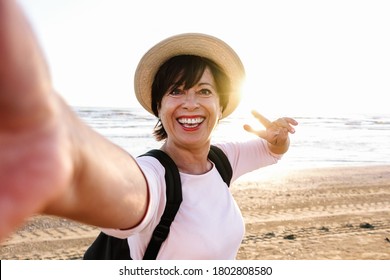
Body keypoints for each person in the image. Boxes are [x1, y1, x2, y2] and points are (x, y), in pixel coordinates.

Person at [0, 0, 297, 259]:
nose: (190, 104)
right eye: (176, 91)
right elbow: (128, 190)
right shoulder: (153, 175)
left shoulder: (222, 160)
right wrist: (68, 154)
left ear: (221, 106)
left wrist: (278, 139)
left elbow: (270, 152)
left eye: (204, 91)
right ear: (158, 106)